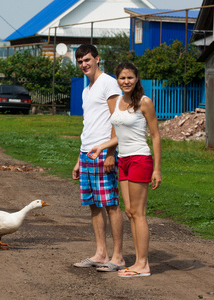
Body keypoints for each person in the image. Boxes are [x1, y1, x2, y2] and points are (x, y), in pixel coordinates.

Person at [88, 62, 162, 277]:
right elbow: (118, 135)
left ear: (136, 78)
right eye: (122, 78)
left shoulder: (144, 102)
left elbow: (155, 135)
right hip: (124, 160)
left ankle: (143, 264)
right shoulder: (118, 101)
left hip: (140, 159)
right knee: (129, 212)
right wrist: (102, 146)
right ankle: (139, 262)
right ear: (117, 80)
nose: (126, 81)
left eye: (130, 77)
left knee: (139, 213)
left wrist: (157, 169)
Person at [72, 44, 125, 272]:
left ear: (97, 59)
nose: (84, 64)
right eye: (80, 61)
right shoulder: (87, 89)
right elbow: (88, 125)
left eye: (87, 59)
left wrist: (111, 153)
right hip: (87, 154)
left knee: (111, 204)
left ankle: (118, 257)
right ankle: (101, 253)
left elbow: (117, 118)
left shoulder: (108, 83)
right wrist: (79, 158)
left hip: (104, 152)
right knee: (94, 205)